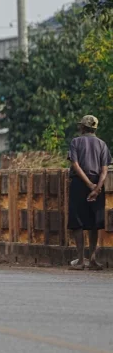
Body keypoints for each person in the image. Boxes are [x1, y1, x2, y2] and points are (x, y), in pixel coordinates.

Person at [67, 115, 111, 270]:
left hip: (80, 183)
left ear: (83, 127)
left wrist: (89, 185)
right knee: (94, 223)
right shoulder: (102, 144)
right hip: (97, 183)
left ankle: (80, 260)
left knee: (77, 222)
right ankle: (92, 259)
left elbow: (76, 165)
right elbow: (104, 170)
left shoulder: (76, 142)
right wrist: (97, 188)